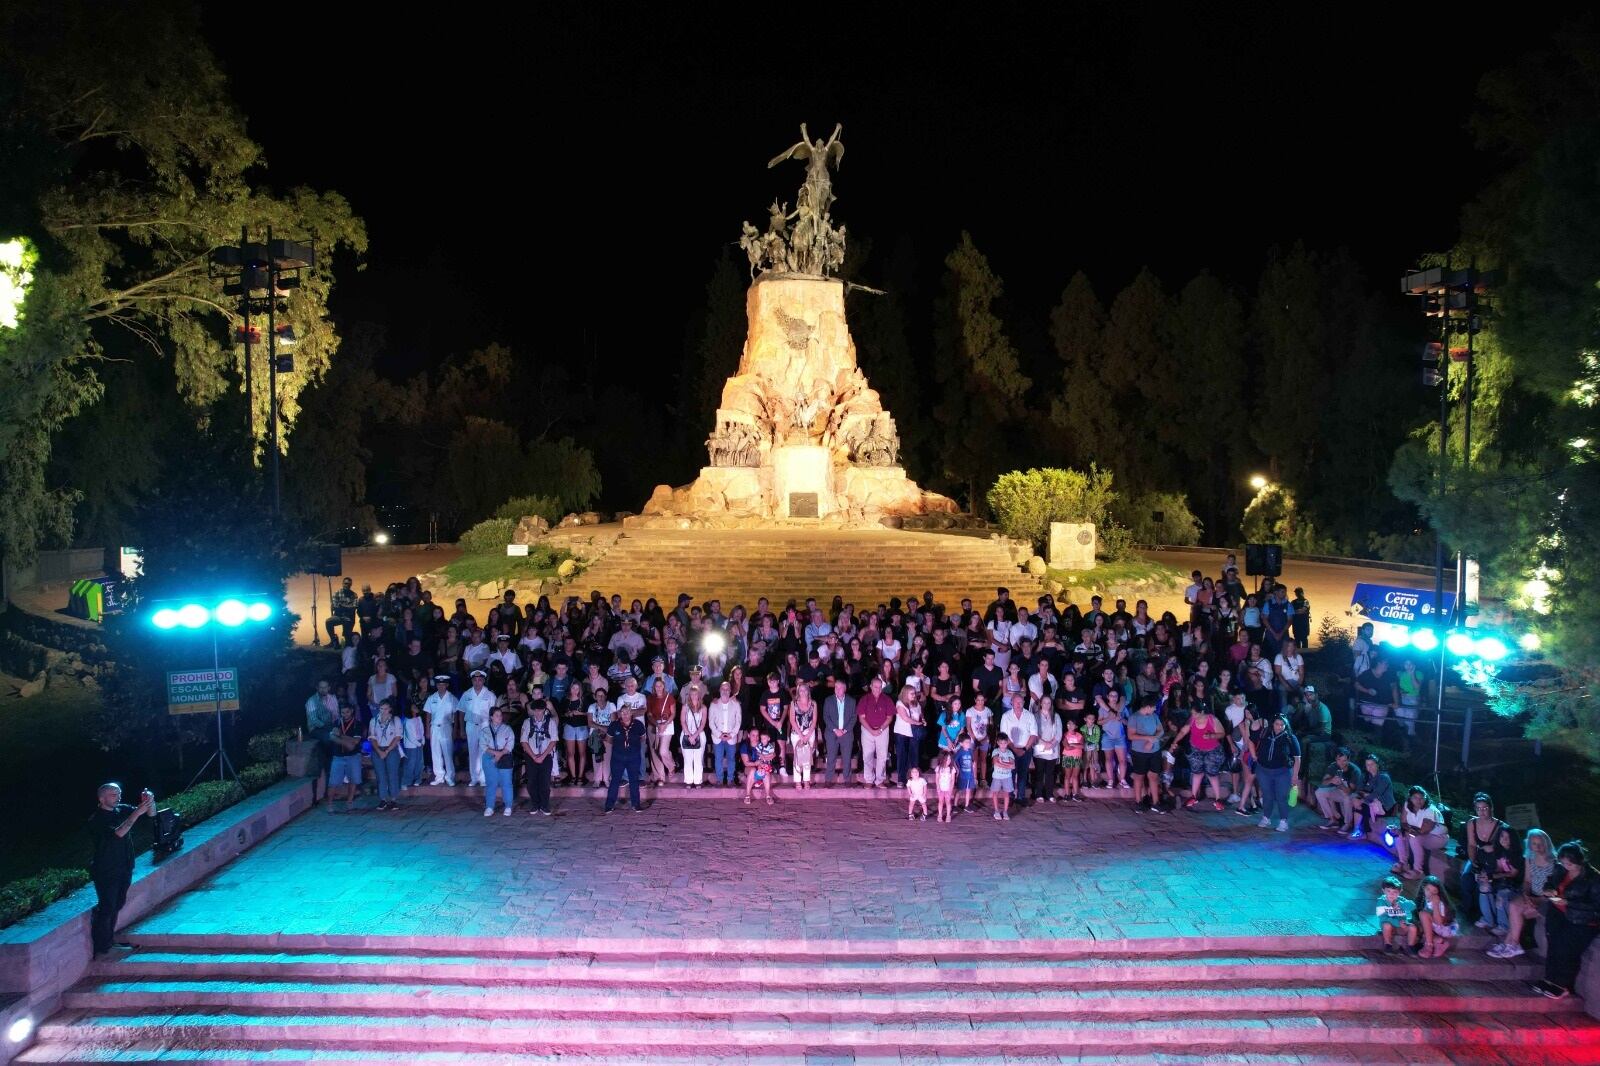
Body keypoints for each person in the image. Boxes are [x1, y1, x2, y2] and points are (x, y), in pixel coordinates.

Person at [88, 782, 152, 955]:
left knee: (117, 904)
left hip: (124, 867)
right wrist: (136, 813)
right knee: (107, 906)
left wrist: (149, 801)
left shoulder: (121, 809)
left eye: (119, 793)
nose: (118, 797)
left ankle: (109, 940)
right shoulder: (97, 819)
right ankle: (103, 947)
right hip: (106, 870)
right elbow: (118, 833)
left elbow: (150, 814)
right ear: (102, 798)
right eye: (113, 794)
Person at [1533, 840, 1600, 1000]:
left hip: (1581, 920)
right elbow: (1550, 882)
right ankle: (1549, 979)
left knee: (1567, 949)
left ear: (1579, 861)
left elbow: (1595, 905)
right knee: (1554, 945)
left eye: (1570, 863)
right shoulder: (1560, 869)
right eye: (1563, 862)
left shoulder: (1592, 878)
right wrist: (1549, 890)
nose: (1566, 866)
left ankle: (1563, 984)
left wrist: (1569, 902)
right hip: (1558, 914)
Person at [1489, 829, 1557, 959]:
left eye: (1540, 843)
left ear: (1546, 843)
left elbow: (1554, 890)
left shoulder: (1554, 861)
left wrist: (1537, 900)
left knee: (1521, 912)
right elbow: (1527, 881)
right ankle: (1511, 944)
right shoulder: (1530, 858)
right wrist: (1526, 896)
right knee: (1514, 905)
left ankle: (1511, 944)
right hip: (1532, 894)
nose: (1537, 847)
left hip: (1547, 899)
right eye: (1533, 844)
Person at [1168, 701, 1228, 811]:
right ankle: (1194, 796)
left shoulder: (1212, 719)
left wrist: (1211, 735)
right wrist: (1175, 741)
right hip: (1196, 749)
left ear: (1202, 712)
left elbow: (1222, 733)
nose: (1193, 716)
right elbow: (1183, 732)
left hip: (1212, 750)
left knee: (1212, 774)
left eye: (1195, 714)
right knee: (1197, 773)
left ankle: (1218, 799)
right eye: (1192, 714)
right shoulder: (1192, 720)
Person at [1251, 713, 1301, 833]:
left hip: (1282, 772)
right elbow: (1251, 740)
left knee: (1281, 797)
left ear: (1286, 725)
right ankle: (1266, 817)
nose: (1279, 727)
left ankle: (1283, 821)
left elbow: (1297, 757)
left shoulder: (1290, 738)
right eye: (1277, 724)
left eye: (1282, 725)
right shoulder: (1265, 733)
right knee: (1267, 795)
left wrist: (1295, 775)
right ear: (1273, 723)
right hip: (1263, 770)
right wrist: (1254, 756)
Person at [1476, 824, 1524, 937]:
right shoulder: (1500, 851)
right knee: (1484, 885)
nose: (1504, 840)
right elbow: (1499, 868)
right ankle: (1488, 919)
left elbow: (1513, 874)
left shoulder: (1517, 854)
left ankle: (1504, 926)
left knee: (1502, 895)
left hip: (1515, 885)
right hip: (1503, 880)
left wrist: (1493, 877)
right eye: (1502, 836)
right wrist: (1488, 875)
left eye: (1508, 837)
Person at [1393, 786, 1448, 879]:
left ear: (1426, 798)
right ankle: (1403, 863)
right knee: (1399, 836)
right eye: (1415, 798)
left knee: (1415, 840)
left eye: (1422, 798)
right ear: (1410, 798)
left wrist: (1407, 830)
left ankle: (1418, 871)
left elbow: (1422, 831)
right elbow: (1403, 822)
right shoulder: (1407, 805)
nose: (1419, 801)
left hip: (1438, 838)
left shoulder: (1430, 810)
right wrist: (1402, 830)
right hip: (1420, 833)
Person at [604, 703, 647, 813]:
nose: (625, 715)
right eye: (622, 713)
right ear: (619, 714)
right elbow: (609, 740)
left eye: (627, 712)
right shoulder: (614, 725)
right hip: (618, 758)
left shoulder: (638, 724)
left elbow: (642, 738)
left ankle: (636, 805)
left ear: (631, 713)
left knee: (634, 781)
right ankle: (609, 805)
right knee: (615, 781)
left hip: (633, 757)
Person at [1126, 695, 1166, 814]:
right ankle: (1138, 802)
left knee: (1153, 776)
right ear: (1147, 707)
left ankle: (1156, 802)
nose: (1155, 709)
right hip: (1139, 752)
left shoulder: (1154, 716)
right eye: (1153, 707)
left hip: (1155, 751)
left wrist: (1152, 740)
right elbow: (1131, 735)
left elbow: (1161, 730)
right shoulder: (1134, 717)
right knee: (1139, 776)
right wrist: (1149, 738)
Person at [520, 695, 558, 815]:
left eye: (540, 710)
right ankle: (535, 804)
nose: (538, 713)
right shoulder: (527, 722)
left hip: (545, 756)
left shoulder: (550, 722)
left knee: (545, 782)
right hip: (531, 756)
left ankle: (545, 805)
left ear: (544, 710)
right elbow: (523, 741)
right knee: (531, 782)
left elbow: (553, 741)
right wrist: (533, 756)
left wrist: (542, 756)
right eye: (535, 710)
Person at [459, 670, 497, 788]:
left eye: (480, 680)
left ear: (484, 680)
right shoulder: (466, 694)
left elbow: (494, 714)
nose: (477, 682)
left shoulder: (490, 695)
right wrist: (460, 729)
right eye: (475, 680)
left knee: (484, 752)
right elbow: (461, 712)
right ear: (472, 681)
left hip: (485, 726)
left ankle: (483, 778)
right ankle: (474, 777)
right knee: (472, 752)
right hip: (471, 725)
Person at [304, 679, 338, 804]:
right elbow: (314, 720)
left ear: (329, 687)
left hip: (330, 727)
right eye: (321, 687)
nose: (323, 690)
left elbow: (336, 715)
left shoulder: (332, 699)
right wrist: (329, 728)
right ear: (317, 688)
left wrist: (335, 726)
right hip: (317, 729)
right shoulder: (311, 701)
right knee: (329, 740)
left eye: (325, 687)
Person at [1314, 748, 1363, 834]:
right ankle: (1333, 819)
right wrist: (1331, 780)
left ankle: (1347, 824)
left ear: (1348, 760)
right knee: (1319, 792)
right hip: (1339, 791)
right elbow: (1323, 782)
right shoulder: (1333, 766)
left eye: (1344, 760)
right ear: (1336, 759)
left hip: (1355, 794)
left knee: (1347, 798)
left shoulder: (1354, 771)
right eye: (1339, 760)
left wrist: (1340, 784)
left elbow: (1350, 792)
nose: (1341, 763)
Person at [857, 676, 895, 787]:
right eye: (875, 687)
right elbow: (861, 718)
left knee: (882, 756)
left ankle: (880, 780)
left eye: (879, 687)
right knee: (867, 756)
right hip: (867, 730)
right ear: (871, 687)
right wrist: (871, 731)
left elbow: (889, 717)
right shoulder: (864, 699)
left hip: (883, 730)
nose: (877, 689)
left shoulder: (887, 699)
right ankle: (869, 780)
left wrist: (881, 729)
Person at [368, 699, 404, 811]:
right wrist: (379, 751)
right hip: (377, 749)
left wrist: (387, 751)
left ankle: (394, 800)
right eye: (382, 708)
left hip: (391, 749)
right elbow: (372, 737)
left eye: (386, 708)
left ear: (390, 709)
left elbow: (398, 736)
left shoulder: (395, 719)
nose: (384, 711)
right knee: (380, 775)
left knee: (392, 774)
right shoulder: (373, 720)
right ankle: (382, 799)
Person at [424, 674, 460, 786]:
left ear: (447, 685)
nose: (440, 687)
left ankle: (450, 777)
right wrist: (427, 730)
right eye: (439, 684)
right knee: (435, 753)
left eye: (443, 684)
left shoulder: (452, 698)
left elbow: (456, 715)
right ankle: (439, 776)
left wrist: (455, 730)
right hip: (434, 727)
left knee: (448, 753)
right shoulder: (431, 698)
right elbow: (428, 715)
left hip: (446, 727)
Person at [327, 703, 365, 811]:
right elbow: (331, 737)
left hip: (353, 756)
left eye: (347, 712)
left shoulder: (357, 724)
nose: (345, 714)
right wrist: (347, 743)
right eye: (343, 712)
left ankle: (349, 802)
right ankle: (329, 804)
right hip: (338, 756)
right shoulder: (336, 723)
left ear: (352, 711)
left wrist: (340, 735)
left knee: (353, 780)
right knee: (333, 782)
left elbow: (356, 741)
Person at [1349, 754, 1395, 840]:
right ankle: (1356, 830)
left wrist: (1363, 799)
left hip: (1385, 806)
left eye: (1372, 764)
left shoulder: (1383, 777)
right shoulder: (1366, 776)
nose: (1370, 767)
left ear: (1377, 765)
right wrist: (1361, 797)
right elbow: (1359, 789)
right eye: (1367, 765)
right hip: (1371, 801)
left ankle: (1361, 832)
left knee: (1361, 806)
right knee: (1355, 801)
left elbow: (1376, 794)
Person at [821, 678, 857, 786]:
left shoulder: (852, 701)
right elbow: (825, 717)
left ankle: (847, 780)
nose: (837, 689)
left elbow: (854, 717)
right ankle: (828, 779)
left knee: (847, 757)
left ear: (845, 689)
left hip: (847, 734)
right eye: (836, 687)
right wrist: (835, 729)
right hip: (832, 733)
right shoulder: (828, 700)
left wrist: (845, 730)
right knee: (831, 756)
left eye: (840, 687)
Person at [481, 707, 516, 816]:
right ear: (491, 717)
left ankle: (508, 806)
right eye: (497, 715)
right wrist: (495, 754)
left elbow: (510, 744)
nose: (499, 717)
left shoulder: (507, 729)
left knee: (506, 783)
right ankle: (490, 806)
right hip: (489, 757)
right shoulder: (485, 730)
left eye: (500, 715)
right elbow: (483, 745)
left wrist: (500, 754)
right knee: (491, 783)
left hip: (504, 756)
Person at [1416, 875, 1459, 958]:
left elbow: (1439, 922)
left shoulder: (1439, 903)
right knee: (1419, 928)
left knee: (1423, 914)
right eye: (1428, 889)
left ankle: (1429, 945)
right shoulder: (1424, 899)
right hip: (1437, 928)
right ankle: (1439, 942)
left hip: (1446, 928)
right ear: (1423, 888)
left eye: (1434, 891)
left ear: (1439, 892)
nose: (1430, 893)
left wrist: (1435, 904)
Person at [709, 679, 742, 787]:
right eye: (723, 689)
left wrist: (731, 735)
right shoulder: (714, 704)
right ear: (719, 690)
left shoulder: (736, 704)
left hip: (731, 737)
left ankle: (730, 779)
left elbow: (738, 721)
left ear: (730, 691)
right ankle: (719, 779)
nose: (725, 691)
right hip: (718, 737)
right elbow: (711, 722)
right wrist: (719, 734)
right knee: (718, 758)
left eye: (727, 689)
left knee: (731, 759)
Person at [645, 677, 678, 785]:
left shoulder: (670, 697)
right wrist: (657, 724)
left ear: (663, 686)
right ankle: (660, 776)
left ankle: (671, 766)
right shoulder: (650, 698)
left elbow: (673, 713)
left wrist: (665, 724)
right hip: (655, 725)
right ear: (654, 687)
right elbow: (649, 714)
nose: (658, 688)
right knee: (655, 750)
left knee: (662, 751)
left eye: (660, 685)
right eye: (656, 686)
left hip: (667, 724)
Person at [1377, 874, 1419, 955]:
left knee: (1413, 927)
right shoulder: (1381, 901)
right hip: (1390, 926)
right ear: (1383, 891)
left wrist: (1401, 904)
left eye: (1395, 892)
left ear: (1399, 892)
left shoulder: (1401, 900)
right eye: (1388, 891)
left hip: (1402, 926)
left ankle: (1410, 946)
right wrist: (1397, 922)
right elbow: (1382, 917)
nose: (1391, 894)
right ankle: (1388, 945)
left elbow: (1413, 906)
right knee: (1386, 925)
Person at [789, 684, 818, 789]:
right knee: (797, 758)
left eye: (805, 690)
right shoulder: (793, 703)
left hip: (809, 733)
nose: (803, 692)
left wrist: (807, 735)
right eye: (800, 690)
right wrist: (802, 736)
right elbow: (792, 720)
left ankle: (806, 780)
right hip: (797, 734)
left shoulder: (813, 703)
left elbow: (814, 721)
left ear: (808, 691)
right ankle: (797, 781)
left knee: (807, 758)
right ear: (798, 692)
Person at [678, 685, 708, 788]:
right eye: (692, 694)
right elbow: (682, 721)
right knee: (688, 759)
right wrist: (689, 735)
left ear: (699, 695)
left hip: (699, 734)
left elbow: (703, 723)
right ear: (689, 695)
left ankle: (698, 781)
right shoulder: (685, 707)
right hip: (686, 734)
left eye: (696, 694)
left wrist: (695, 735)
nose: (694, 696)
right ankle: (689, 781)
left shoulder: (703, 708)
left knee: (698, 759)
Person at [740, 726, 776, 806]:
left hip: (762, 767)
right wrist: (756, 763)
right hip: (750, 768)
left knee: (766, 772)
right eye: (753, 735)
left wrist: (771, 755)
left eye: (757, 735)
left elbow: (772, 752)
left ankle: (768, 795)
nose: (755, 738)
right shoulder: (745, 746)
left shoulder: (761, 744)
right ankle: (747, 795)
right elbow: (746, 763)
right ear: (748, 735)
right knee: (753, 770)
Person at [400, 700, 426, 789]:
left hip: (419, 742)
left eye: (416, 707)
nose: (416, 708)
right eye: (414, 707)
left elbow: (421, 729)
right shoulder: (407, 721)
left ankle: (418, 779)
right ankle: (406, 781)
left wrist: (422, 740)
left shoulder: (419, 718)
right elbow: (410, 735)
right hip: (411, 745)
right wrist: (418, 743)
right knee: (410, 763)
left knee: (420, 762)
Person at [326, 577, 358, 648]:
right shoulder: (337, 593)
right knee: (328, 622)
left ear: (351, 585)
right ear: (342, 584)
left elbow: (353, 608)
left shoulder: (354, 595)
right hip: (339, 616)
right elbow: (335, 607)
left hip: (349, 618)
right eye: (346, 583)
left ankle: (346, 646)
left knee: (347, 640)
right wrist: (347, 607)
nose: (347, 585)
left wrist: (342, 606)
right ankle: (333, 640)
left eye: (349, 584)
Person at [990, 735, 1016, 821]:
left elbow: (1013, 766)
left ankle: (1005, 811)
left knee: (1006, 794)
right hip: (997, 776)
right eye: (1001, 743)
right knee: (995, 793)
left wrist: (1002, 763)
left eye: (1005, 743)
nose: (1003, 745)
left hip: (1007, 777)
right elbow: (996, 763)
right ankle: (996, 811)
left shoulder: (1009, 753)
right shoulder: (995, 751)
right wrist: (1007, 764)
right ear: (998, 743)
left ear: (1007, 743)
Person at [1060, 717, 1085, 801]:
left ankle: (1075, 794)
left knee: (1075, 776)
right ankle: (1067, 794)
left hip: (1077, 757)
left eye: (1072, 724)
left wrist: (1072, 745)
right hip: (1067, 757)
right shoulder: (1064, 735)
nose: (1070, 725)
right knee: (1067, 776)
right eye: (1068, 724)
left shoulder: (1079, 735)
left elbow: (1082, 746)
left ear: (1076, 726)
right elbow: (1067, 747)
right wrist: (1076, 745)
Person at [955, 733, 978, 811]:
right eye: (966, 742)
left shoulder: (971, 751)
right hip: (962, 775)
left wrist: (973, 766)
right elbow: (953, 761)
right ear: (961, 743)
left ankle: (966, 805)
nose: (968, 744)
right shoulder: (960, 752)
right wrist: (957, 770)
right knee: (959, 790)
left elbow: (972, 761)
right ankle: (955, 805)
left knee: (968, 790)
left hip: (969, 775)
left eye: (969, 742)